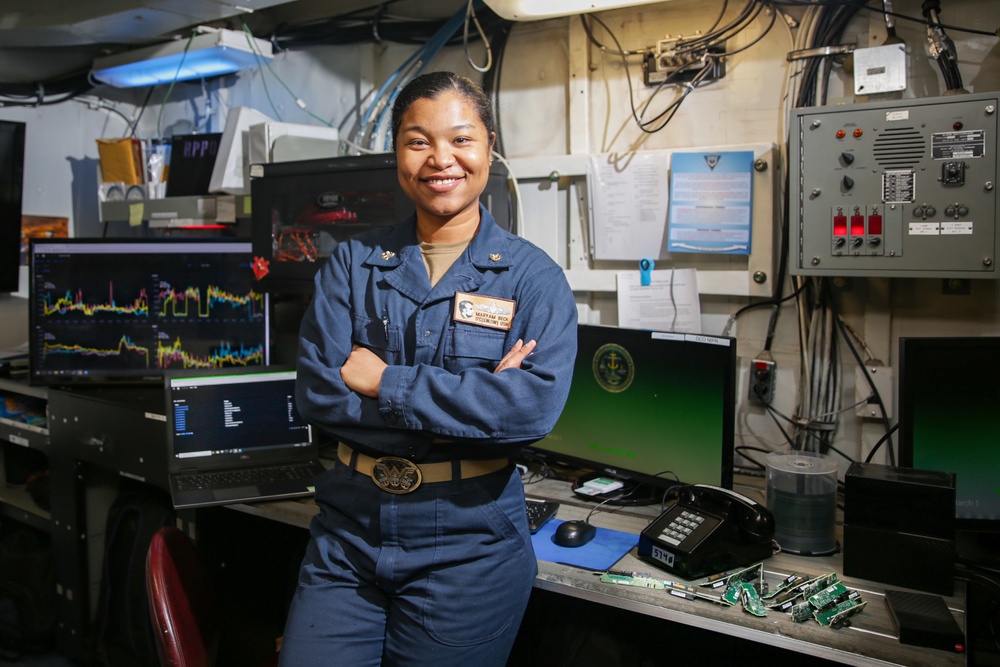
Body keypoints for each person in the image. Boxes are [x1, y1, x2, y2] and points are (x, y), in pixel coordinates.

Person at [278, 71, 578, 666]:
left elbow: (529, 409)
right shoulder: (352, 266)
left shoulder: (531, 278)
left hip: (471, 546)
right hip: (348, 532)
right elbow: (319, 394)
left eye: (461, 139)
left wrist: (383, 380)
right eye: (418, 141)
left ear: (490, 147)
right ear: (397, 155)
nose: (441, 159)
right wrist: (476, 399)